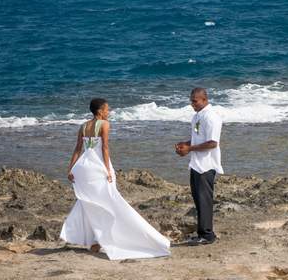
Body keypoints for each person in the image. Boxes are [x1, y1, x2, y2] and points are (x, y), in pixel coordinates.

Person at [60, 98, 170, 260]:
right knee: (109, 203)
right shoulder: (104, 124)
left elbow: (78, 149)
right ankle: (106, 240)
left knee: (92, 203)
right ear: (100, 112)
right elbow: (104, 147)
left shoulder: (83, 126)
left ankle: (96, 242)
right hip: (98, 168)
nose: (109, 112)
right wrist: (107, 170)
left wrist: (70, 169)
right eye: (107, 109)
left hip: (83, 168)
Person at [175, 88, 223, 246]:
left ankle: (207, 235)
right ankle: (202, 232)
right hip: (196, 163)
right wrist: (185, 145)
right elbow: (197, 138)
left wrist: (189, 149)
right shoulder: (197, 116)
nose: (192, 104)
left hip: (207, 164)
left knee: (205, 200)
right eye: (191, 101)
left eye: (194, 101)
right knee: (198, 199)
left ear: (204, 99)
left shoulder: (211, 117)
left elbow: (212, 143)